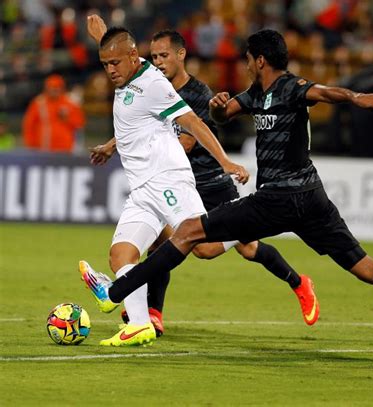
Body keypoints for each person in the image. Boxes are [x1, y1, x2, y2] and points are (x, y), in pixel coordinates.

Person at [80, 29, 373, 368]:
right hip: (312, 199)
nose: (246, 66)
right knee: (364, 265)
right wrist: (218, 109)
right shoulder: (256, 95)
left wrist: (355, 97)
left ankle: (114, 293)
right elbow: (226, 113)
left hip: (277, 199)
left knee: (188, 234)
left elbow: (324, 92)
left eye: (248, 60)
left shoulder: (293, 87)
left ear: (260, 60)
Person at [85, 16, 319, 339]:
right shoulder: (134, 72)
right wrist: (114, 145)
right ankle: (146, 318)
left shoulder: (184, 91)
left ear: (181, 56)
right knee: (147, 249)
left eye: (164, 56)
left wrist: (225, 162)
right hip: (154, 184)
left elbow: (190, 132)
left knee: (224, 248)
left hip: (203, 179)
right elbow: (140, 122)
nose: (158, 62)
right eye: (154, 57)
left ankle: (289, 268)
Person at [79, 24, 249, 347]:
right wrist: (101, 34)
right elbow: (117, 49)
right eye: (104, 64)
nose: (110, 71)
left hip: (168, 179)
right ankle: (140, 324)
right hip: (142, 190)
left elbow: (193, 122)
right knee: (121, 255)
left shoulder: (154, 85)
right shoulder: (129, 64)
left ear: (132, 57)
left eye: (115, 63)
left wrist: (226, 163)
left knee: (204, 248)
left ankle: (252, 217)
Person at [22, 74, 85, 152]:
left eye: (57, 88)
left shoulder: (70, 103)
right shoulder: (39, 103)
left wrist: (67, 118)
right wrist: (30, 145)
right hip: (43, 148)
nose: (54, 90)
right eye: (51, 88)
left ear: (62, 88)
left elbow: (79, 124)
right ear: (46, 88)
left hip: (65, 148)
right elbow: (29, 125)